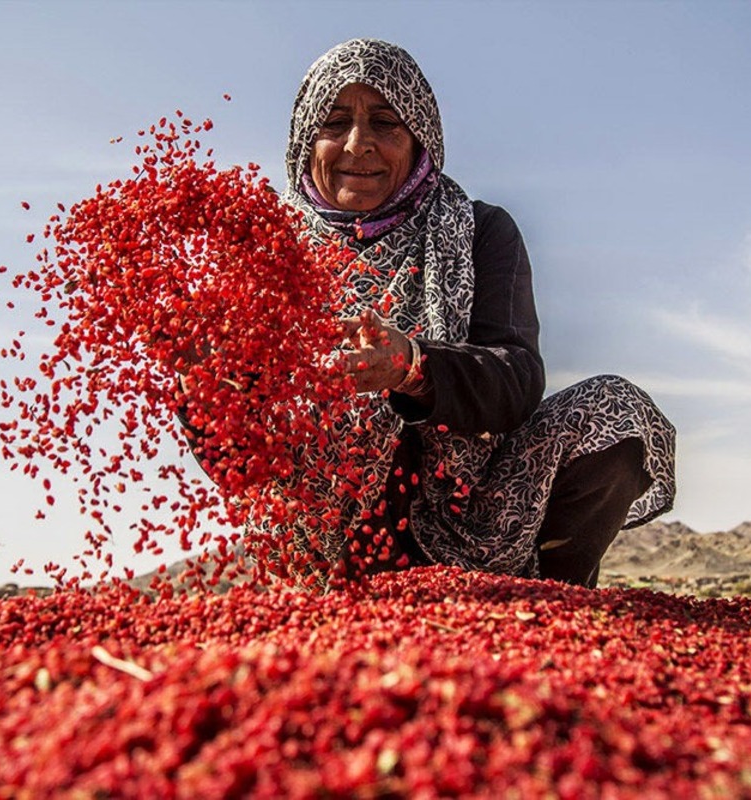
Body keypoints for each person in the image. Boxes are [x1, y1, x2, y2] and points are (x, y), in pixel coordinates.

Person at [257, 38, 675, 587]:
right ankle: (330, 592)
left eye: (386, 122)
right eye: (334, 122)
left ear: (420, 136)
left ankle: (552, 602)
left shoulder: (479, 230)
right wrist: (203, 382)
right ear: (305, 138)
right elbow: (237, 447)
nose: (358, 146)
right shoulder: (268, 251)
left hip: (476, 516)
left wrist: (413, 365)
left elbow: (516, 379)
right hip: (329, 534)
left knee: (613, 410)